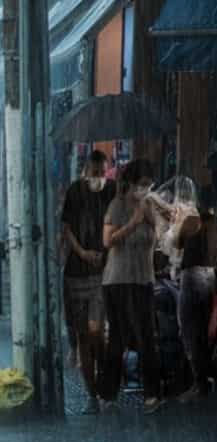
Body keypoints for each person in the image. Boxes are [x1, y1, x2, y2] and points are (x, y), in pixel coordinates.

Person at [101, 159, 164, 414]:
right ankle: (109, 393)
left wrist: (156, 217)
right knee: (120, 338)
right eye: (142, 184)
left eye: (149, 184)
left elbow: (160, 235)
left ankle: (152, 394)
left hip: (144, 279)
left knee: (147, 337)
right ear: (131, 183)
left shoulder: (149, 205)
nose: (145, 189)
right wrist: (133, 223)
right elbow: (107, 241)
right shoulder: (117, 206)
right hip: (119, 280)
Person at [61, 150, 116, 414]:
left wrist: (106, 253)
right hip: (76, 272)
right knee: (84, 336)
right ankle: (91, 394)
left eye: (103, 173)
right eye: (95, 173)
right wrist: (82, 253)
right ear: (85, 171)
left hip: (102, 272)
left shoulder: (112, 190)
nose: (99, 178)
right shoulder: (74, 191)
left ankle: (105, 381)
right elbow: (66, 228)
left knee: (97, 332)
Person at [173, 189, 217, 403]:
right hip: (211, 276)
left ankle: (199, 385)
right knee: (207, 333)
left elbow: (177, 243)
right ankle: (205, 380)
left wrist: (179, 221)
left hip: (192, 277)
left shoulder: (191, 219)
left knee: (190, 331)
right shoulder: (214, 222)